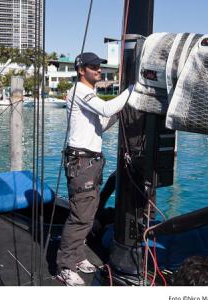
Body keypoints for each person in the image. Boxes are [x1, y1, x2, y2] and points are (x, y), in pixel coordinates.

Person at [56, 52, 133, 286]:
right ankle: (65, 266)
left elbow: (101, 124)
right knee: (80, 216)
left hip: (90, 161)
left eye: (99, 66)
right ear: (81, 70)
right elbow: (106, 110)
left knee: (88, 213)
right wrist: (131, 90)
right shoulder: (80, 90)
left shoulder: (88, 93)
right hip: (82, 162)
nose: (99, 70)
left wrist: (120, 112)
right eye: (94, 67)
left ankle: (78, 257)